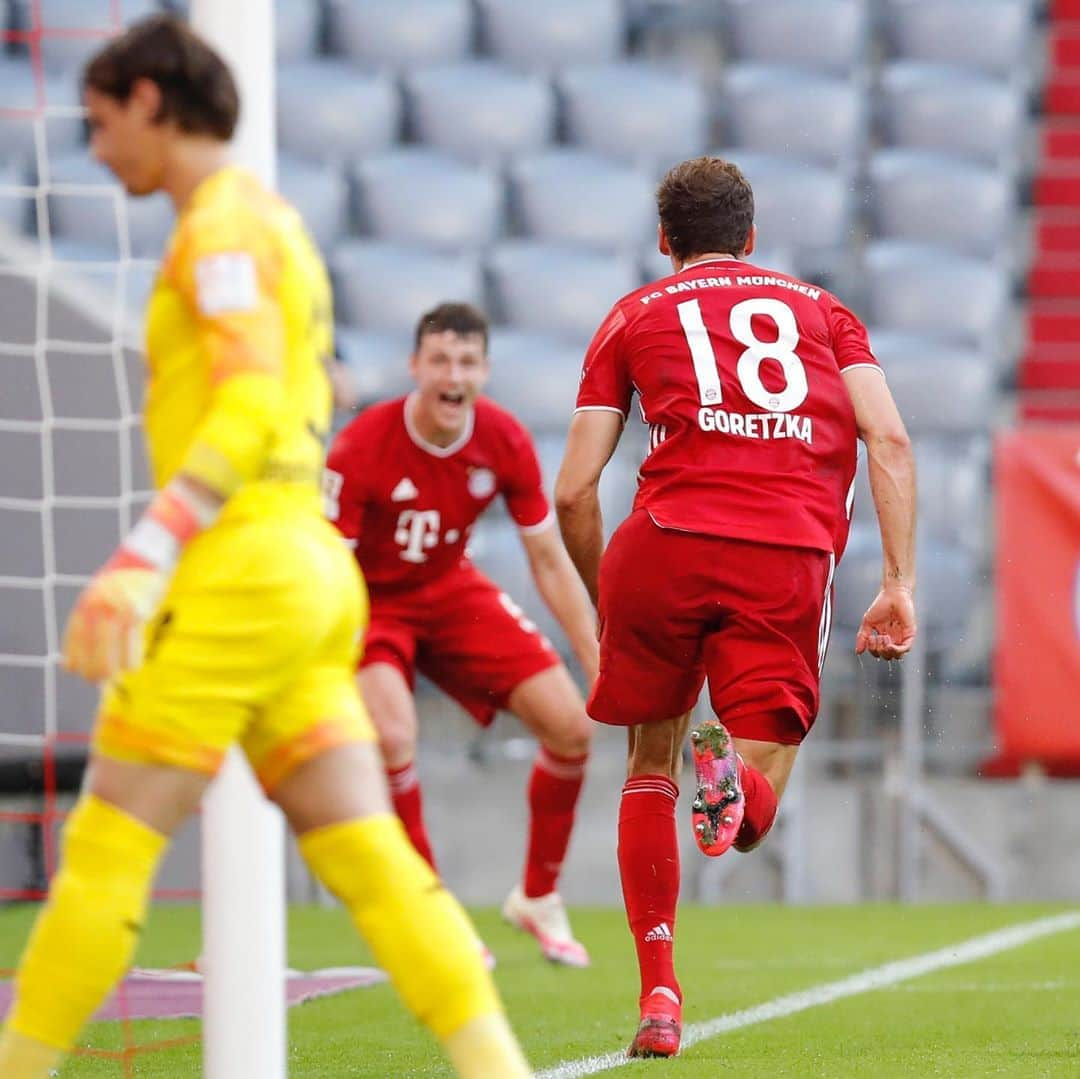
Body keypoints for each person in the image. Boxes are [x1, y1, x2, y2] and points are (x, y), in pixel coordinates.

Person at [0, 17, 531, 1078]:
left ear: (152, 101)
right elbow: (306, 381)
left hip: (239, 571)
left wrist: (147, 548)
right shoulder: (276, 223)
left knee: (105, 849)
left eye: (103, 122)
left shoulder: (222, 229)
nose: (96, 150)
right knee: (370, 859)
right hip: (311, 574)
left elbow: (245, 399)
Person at [555, 156, 917, 1058]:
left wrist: (613, 598)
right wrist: (899, 581)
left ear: (665, 241)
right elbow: (890, 437)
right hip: (783, 552)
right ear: (751, 237)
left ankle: (660, 998)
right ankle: (739, 781)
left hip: (663, 544)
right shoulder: (825, 312)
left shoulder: (631, 314)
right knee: (755, 806)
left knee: (650, 757)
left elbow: (571, 491)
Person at [325, 302, 598, 968]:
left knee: (573, 726)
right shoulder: (361, 444)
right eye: (440, 360)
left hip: (450, 590)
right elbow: (329, 569)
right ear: (415, 366)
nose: (454, 374)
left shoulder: (503, 439)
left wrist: (601, 661)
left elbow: (548, 559)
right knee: (392, 735)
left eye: (467, 362)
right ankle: (430, 911)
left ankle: (537, 895)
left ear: (485, 371)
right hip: (371, 603)